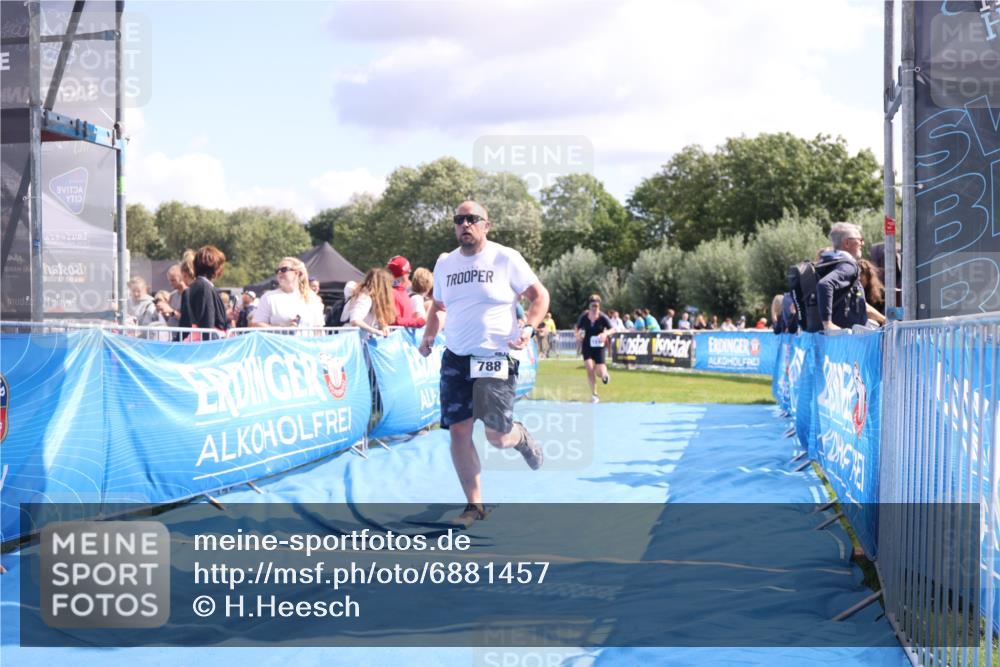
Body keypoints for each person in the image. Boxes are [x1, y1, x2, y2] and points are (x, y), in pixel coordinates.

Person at [418, 200, 549, 526]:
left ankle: (518, 437)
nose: (465, 224)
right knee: (459, 431)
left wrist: (529, 327)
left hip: (494, 358)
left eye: (472, 219)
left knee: (496, 436)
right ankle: (474, 506)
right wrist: (428, 335)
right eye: (459, 219)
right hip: (456, 359)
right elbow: (438, 305)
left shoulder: (506, 258)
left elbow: (540, 296)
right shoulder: (445, 264)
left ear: (486, 225)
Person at [817, 222, 868, 331]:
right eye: (859, 240)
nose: (862, 243)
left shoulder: (827, 262)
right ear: (847, 243)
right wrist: (828, 324)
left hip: (824, 337)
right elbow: (825, 284)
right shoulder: (848, 265)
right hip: (843, 339)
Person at [251, 257, 325, 330]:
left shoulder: (313, 298)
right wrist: (282, 330)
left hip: (306, 342)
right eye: (277, 270)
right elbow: (256, 324)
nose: (279, 272)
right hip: (278, 342)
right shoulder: (269, 297)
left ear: (297, 273)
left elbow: (318, 330)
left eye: (284, 270)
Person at [179, 245, 229, 334]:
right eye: (220, 265)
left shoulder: (200, 285)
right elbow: (207, 324)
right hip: (210, 344)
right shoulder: (203, 287)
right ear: (215, 267)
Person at [575, 294, 614, 404]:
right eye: (593, 306)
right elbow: (577, 328)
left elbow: (613, 329)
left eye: (596, 306)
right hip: (587, 344)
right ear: (589, 306)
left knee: (599, 372)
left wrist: (605, 333)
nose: (595, 308)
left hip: (599, 346)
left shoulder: (603, 317)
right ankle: (594, 394)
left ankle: (605, 375)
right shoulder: (584, 316)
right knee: (589, 368)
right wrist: (577, 335)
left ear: (599, 306)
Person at [347, 268, 395, 338]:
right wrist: (375, 331)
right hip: (350, 340)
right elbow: (355, 320)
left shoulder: (371, 298)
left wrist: (383, 326)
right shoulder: (365, 298)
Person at [386, 255, 426, 327]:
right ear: (403, 274)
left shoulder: (402, 291)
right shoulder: (391, 293)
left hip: (402, 336)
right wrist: (417, 322)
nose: (408, 276)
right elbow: (394, 320)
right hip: (395, 336)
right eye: (408, 273)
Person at [858, 258, 886, 326]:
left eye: (862, 273)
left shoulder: (881, 293)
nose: (859, 277)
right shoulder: (856, 291)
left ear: (868, 276)